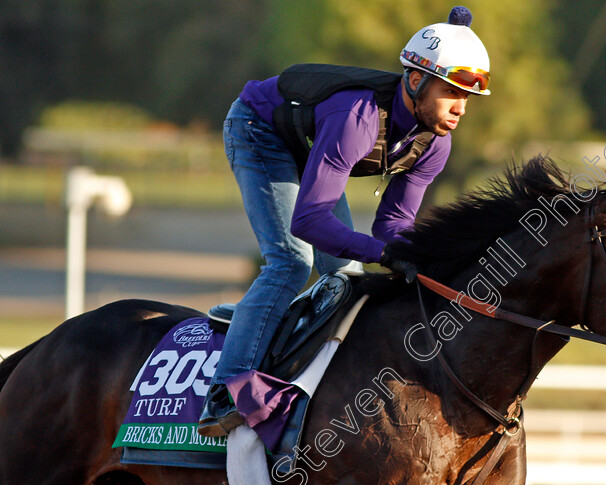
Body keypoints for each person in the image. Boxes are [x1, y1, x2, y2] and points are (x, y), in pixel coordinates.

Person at [198, 6, 491, 437]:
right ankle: (227, 390)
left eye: (467, 98)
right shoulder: (357, 118)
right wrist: (386, 253)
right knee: (291, 263)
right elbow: (310, 221)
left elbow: (393, 224)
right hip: (258, 130)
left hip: (309, 140)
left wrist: (424, 258)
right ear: (415, 80)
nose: (460, 109)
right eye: (452, 92)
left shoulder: (434, 145)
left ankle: (266, 332)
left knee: (346, 274)